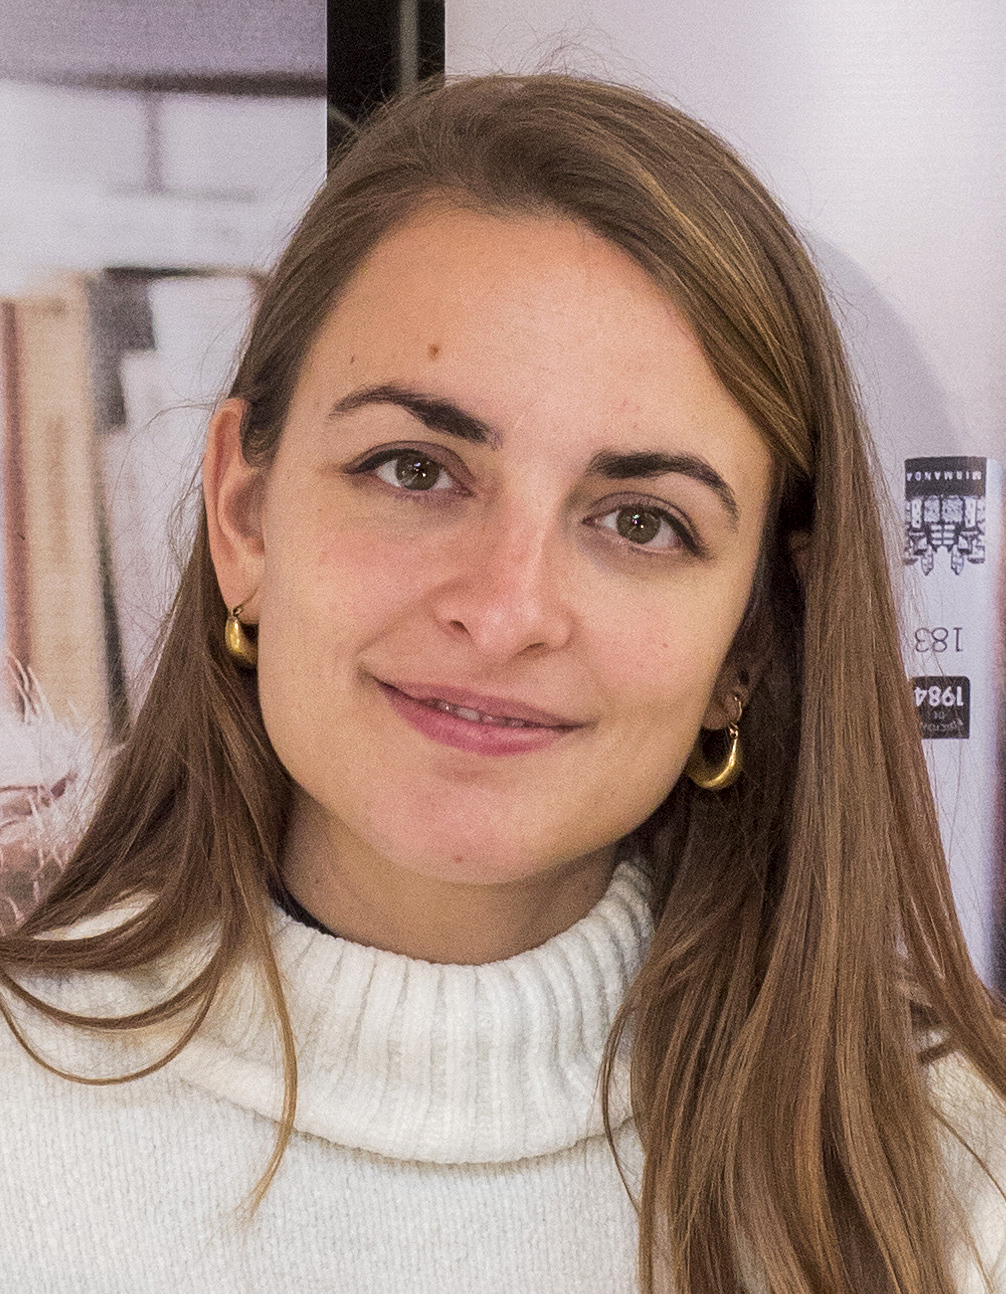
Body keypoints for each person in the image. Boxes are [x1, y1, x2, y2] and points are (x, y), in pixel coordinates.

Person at [0, 71, 1004, 1294]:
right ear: (244, 513)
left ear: (748, 643)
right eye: (414, 470)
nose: (505, 609)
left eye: (641, 520)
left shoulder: (961, 1169)